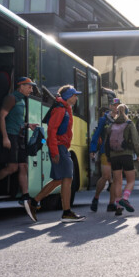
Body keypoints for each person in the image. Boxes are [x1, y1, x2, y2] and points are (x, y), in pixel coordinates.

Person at [24, 86, 84, 222]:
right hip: (59, 147)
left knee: (59, 179)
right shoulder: (60, 109)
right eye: (74, 95)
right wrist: (54, 151)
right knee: (67, 178)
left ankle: (34, 202)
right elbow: (51, 131)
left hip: (61, 147)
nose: (76, 97)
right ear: (68, 96)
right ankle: (66, 212)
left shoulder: (65, 108)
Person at [0, 76, 38, 204]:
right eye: (29, 87)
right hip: (11, 136)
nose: (31, 90)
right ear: (21, 86)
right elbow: (1, 117)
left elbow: (17, 121)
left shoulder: (21, 100)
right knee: (12, 167)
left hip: (19, 137)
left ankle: (25, 196)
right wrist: (5, 137)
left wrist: (28, 125)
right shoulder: (11, 98)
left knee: (23, 166)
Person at [104, 104, 139, 215]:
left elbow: (106, 143)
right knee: (131, 180)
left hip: (114, 156)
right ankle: (125, 199)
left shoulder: (111, 125)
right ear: (127, 112)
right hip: (126, 155)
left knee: (117, 182)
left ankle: (118, 206)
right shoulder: (129, 124)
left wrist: (108, 156)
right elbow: (135, 141)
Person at [88, 99, 120, 212]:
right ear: (110, 106)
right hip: (105, 151)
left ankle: (111, 203)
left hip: (118, 152)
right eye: (114, 105)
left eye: (118, 105)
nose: (116, 107)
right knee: (106, 176)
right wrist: (92, 149)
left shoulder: (122, 119)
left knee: (115, 178)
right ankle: (96, 198)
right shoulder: (104, 119)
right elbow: (96, 135)